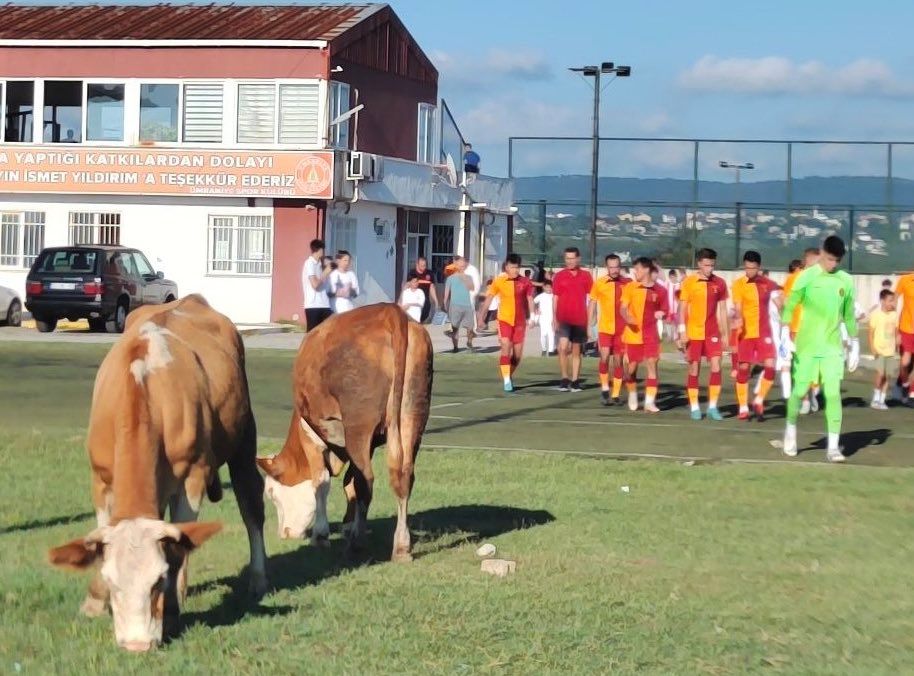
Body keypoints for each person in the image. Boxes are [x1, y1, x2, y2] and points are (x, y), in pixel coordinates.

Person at [781, 236, 859, 462]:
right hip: (806, 347)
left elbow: (848, 315)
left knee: (833, 394)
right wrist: (784, 331)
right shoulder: (806, 276)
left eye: (836, 261)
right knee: (799, 391)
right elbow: (791, 304)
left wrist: (854, 342)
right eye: (829, 259)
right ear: (822, 253)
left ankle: (833, 447)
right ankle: (790, 430)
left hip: (832, 348)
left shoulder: (845, 280)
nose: (832, 264)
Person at [678, 248, 730, 421]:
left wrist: (725, 333)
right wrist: (682, 331)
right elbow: (682, 309)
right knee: (694, 368)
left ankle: (713, 407)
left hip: (712, 332)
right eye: (707, 265)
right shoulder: (689, 283)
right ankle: (694, 407)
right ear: (699, 264)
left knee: (717, 366)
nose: (710, 268)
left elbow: (723, 310)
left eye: (712, 265)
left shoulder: (720, 283)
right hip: (694, 333)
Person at [731, 251, 782, 421]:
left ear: (759, 267)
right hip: (746, 332)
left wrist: (785, 309)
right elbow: (738, 306)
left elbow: (780, 300)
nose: (749, 271)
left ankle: (759, 400)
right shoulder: (738, 284)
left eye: (752, 268)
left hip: (764, 332)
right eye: (746, 268)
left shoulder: (768, 284)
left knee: (770, 366)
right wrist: (738, 318)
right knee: (744, 369)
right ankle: (743, 407)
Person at [476, 254, 535, 392]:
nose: (515, 270)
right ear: (506, 267)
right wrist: (481, 317)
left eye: (517, 267)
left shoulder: (525, 282)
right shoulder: (499, 281)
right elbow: (488, 299)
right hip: (504, 320)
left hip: (520, 322)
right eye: (512, 267)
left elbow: (530, 299)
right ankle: (507, 380)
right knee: (505, 346)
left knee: (517, 356)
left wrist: (532, 317)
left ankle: (507, 375)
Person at [620, 257, 669, 413]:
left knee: (652, 364)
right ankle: (632, 393)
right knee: (631, 369)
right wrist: (627, 317)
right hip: (633, 334)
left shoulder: (661, 291)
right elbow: (623, 308)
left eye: (637, 269)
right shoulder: (630, 287)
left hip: (651, 334)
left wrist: (662, 313)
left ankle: (649, 402)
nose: (635, 272)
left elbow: (665, 310)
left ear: (647, 269)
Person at [784, 248, 823, 414]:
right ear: (808, 260)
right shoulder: (794, 279)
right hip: (798, 329)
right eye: (818, 261)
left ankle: (813, 389)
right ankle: (805, 399)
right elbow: (787, 302)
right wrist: (786, 327)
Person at [589, 253, 631, 405]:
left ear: (620, 267)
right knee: (604, 357)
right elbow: (592, 303)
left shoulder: (628, 283)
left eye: (617, 267)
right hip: (605, 328)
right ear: (606, 267)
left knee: (618, 361)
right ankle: (605, 388)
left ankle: (615, 394)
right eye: (611, 267)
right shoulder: (599, 283)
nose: (614, 270)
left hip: (622, 329)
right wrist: (590, 324)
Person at [552, 246, 594, 392]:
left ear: (578, 259)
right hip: (563, 318)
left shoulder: (586, 276)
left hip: (580, 318)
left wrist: (592, 317)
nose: (569, 261)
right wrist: (554, 318)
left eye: (572, 258)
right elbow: (555, 298)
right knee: (563, 348)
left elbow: (592, 298)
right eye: (567, 258)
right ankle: (564, 378)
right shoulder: (559, 276)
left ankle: (575, 381)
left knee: (576, 351)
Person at [869, 289, 899, 410]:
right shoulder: (876, 315)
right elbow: (870, 333)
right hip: (879, 349)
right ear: (882, 301)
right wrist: (872, 348)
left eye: (893, 301)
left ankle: (882, 400)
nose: (892, 303)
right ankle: (875, 399)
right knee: (880, 374)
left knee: (888, 376)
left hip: (890, 350)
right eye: (890, 300)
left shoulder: (894, 314)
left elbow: (896, 331)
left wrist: (897, 345)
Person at [443, 256, 476, 352]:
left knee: (470, 327)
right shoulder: (450, 278)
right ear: (456, 266)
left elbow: (472, 288)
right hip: (455, 305)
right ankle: (455, 347)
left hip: (467, 305)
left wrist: (465, 279)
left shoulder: (469, 277)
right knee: (455, 328)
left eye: (463, 266)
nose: (462, 267)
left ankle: (469, 342)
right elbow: (446, 293)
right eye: (460, 266)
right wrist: (444, 304)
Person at [302, 238, 332, 332]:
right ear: (319, 250)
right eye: (322, 249)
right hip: (313, 305)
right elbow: (314, 284)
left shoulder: (320, 264)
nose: (323, 252)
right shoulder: (309, 263)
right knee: (313, 334)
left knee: (328, 333)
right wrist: (325, 273)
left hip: (325, 304)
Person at [894, 270, 914, 404]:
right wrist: (895, 330)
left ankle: (912, 393)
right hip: (906, 328)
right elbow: (894, 301)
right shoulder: (905, 280)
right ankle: (904, 384)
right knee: (906, 363)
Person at [406, 257, 438, 323]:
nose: (424, 267)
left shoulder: (429, 273)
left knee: (423, 319)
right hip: (414, 301)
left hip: (425, 302)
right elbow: (407, 286)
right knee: (414, 321)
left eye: (425, 265)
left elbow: (431, 288)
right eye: (422, 265)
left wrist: (436, 300)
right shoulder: (412, 273)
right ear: (417, 264)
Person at [328, 250, 359, 314]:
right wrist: (338, 293)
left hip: (349, 310)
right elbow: (327, 293)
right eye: (345, 260)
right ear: (338, 261)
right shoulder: (332, 274)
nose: (347, 263)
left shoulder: (351, 274)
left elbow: (356, 293)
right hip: (335, 310)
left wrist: (350, 291)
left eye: (348, 261)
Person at [534, 279, 556, 356]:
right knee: (543, 335)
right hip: (543, 318)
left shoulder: (554, 296)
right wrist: (536, 310)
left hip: (552, 318)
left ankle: (551, 351)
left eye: (550, 287)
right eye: (547, 287)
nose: (549, 289)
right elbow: (533, 302)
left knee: (551, 334)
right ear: (544, 287)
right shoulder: (541, 296)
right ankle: (544, 349)